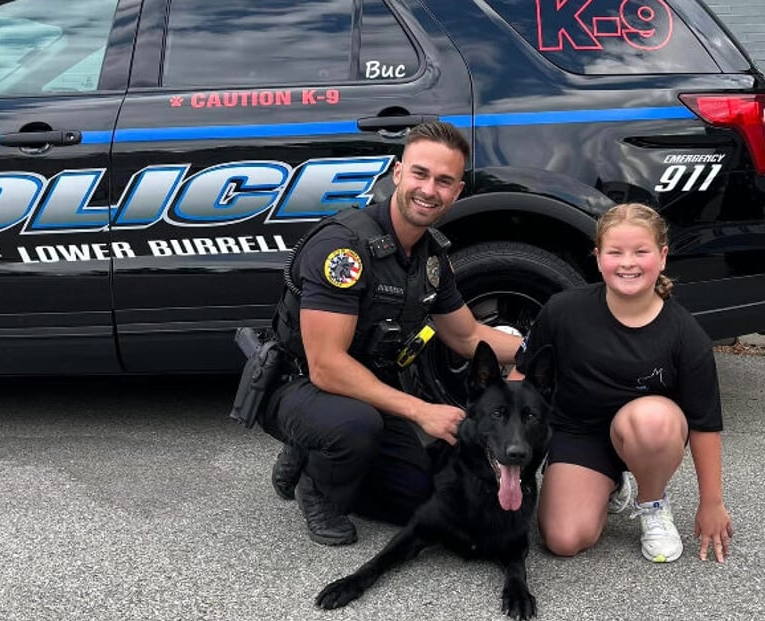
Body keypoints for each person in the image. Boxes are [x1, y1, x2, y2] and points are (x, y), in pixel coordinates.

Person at [260, 121, 522, 546]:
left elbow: (468, 336)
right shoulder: (344, 250)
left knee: (415, 498)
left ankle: (322, 452)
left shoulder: (430, 255)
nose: (429, 190)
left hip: (366, 389)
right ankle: (317, 485)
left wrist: (542, 348)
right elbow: (326, 367)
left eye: (444, 181)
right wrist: (421, 411)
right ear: (398, 173)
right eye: (420, 174)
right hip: (298, 384)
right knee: (354, 426)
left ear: (456, 192)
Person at [511, 202, 733, 563]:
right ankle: (610, 482)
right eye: (616, 252)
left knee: (652, 421)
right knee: (563, 540)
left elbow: (705, 425)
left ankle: (653, 501)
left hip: (648, 433)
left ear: (661, 257)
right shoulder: (563, 310)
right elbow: (520, 378)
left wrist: (712, 502)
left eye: (640, 252)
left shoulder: (685, 334)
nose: (628, 262)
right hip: (579, 433)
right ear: (598, 258)